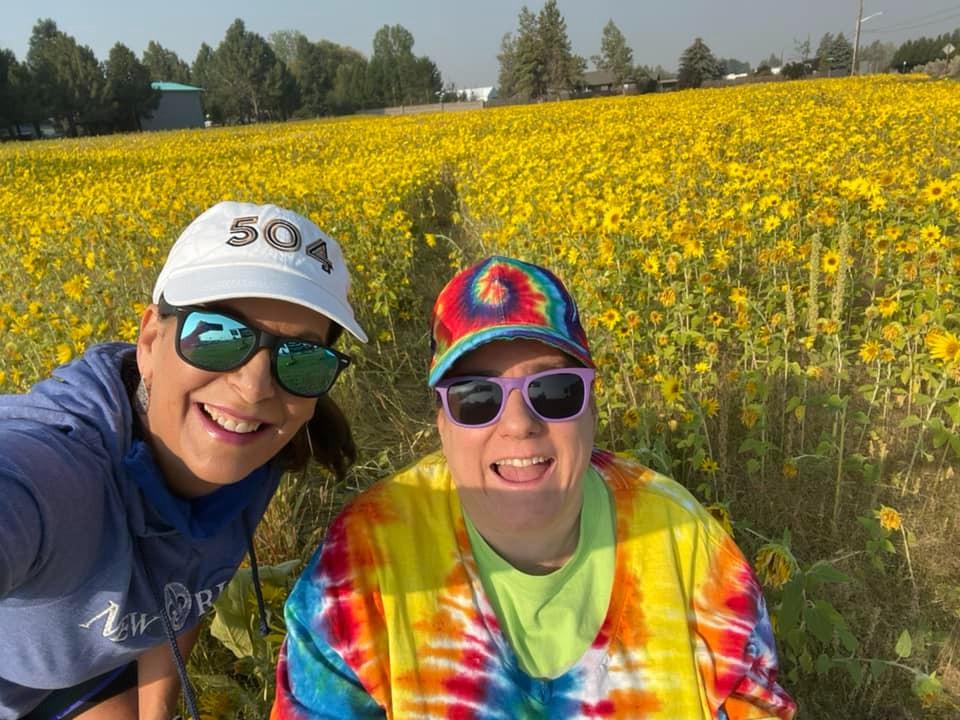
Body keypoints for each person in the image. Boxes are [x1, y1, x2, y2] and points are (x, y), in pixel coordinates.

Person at [272, 255, 797, 719]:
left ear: (592, 407)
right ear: (441, 421)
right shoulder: (365, 561)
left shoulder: (688, 548)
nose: (519, 424)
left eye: (554, 391)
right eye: (476, 398)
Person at [0, 201, 368, 720]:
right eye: (219, 335)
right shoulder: (56, 470)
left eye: (302, 359)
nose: (254, 387)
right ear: (149, 340)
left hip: (90, 675)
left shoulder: (258, 458)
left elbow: (185, 589)